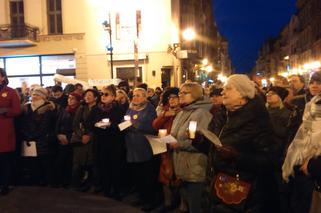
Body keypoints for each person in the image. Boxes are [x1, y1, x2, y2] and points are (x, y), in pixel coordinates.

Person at [196, 74, 278, 212]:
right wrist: (199, 142)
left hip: (245, 193)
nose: (222, 92)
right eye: (223, 88)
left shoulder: (257, 120)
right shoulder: (221, 115)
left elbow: (269, 160)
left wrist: (237, 156)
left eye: (228, 89)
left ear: (242, 95)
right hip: (215, 186)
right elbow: (212, 149)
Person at [170, 82, 213, 213]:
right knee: (186, 202)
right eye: (180, 93)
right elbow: (176, 134)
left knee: (196, 205)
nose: (180, 95)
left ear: (195, 95)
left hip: (194, 166)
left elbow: (201, 142)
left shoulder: (202, 113)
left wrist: (179, 144)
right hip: (181, 165)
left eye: (185, 92)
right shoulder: (181, 112)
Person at [283, 94, 321, 213]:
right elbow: (297, 141)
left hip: (313, 178)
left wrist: (311, 165)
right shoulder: (310, 107)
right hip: (299, 171)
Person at [124, 88, 159, 211]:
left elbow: (152, 127)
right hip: (132, 147)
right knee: (137, 174)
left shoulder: (150, 109)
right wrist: (123, 125)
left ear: (145, 97)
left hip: (144, 147)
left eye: (138, 95)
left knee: (146, 175)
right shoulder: (131, 108)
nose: (135, 98)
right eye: (134, 95)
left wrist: (136, 124)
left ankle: (149, 200)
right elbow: (125, 120)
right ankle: (141, 196)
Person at [91, 85, 125, 199]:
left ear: (113, 96)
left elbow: (122, 125)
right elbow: (89, 123)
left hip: (115, 143)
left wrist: (111, 125)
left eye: (106, 94)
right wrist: (97, 125)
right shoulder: (96, 109)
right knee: (103, 167)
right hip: (100, 142)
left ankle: (117, 190)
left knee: (115, 167)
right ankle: (106, 190)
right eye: (102, 94)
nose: (103, 96)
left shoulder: (119, 109)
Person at [20, 86, 57, 186]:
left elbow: (45, 126)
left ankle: (47, 183)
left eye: (37, 95)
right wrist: (27, 135)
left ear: (43, 97)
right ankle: (35, 181)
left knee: (45, 163)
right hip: (30, 141)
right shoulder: (26, 108)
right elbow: (22, 123)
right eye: (34, 94)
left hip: (43, 141)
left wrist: (33, 136)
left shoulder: (47, 108)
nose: (34, 96)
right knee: (32, 163)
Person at [152, 87, 181, 211]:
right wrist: (165, 115)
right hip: (164, 146)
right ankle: (167, 203)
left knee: (177, 176)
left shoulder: (184, 111)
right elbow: (155, 125)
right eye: (170, 98)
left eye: (175, 97)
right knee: (164, 175)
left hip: (177, 147)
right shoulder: (165, 110)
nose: (172, 100)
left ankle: (178, 202)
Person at [266, 86, 291, 212]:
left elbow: (284, 133)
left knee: (279, 190)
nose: (269, 95)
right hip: (265, 155)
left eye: (273, 94)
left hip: (278, 157)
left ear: (280, 97)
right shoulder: (263, 112)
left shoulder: (286, 114)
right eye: (268, 93)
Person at [71, 89, 99, 191]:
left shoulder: (98, 108)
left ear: (95, 97)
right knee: (78, 163)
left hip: (93, 140)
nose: (87, 97)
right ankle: (77, 184)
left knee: (91, 163)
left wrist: (89, 136)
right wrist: (82, 135)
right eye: (86, 95)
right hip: (81, 139)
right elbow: (75, 124)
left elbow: (98, 125)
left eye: (90, 95)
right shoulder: (82, 108)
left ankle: (92, 184)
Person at [54, 92, 82, 188]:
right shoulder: (64, 110)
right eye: (69, 98)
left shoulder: (79, 111)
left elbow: (77, 127)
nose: (69, 100)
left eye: (72, 98)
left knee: (70, 162)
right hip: (61, 138)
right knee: (61, 161)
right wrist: (58, 134)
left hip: (72, 140)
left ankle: (69, 182)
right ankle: (61, 181)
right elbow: (58, 123)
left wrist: (68, 137)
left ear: (78, 101)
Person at [0, 68, 21, 195]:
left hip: (4, 130)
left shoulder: (10, 92)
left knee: (4, 160)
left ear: (3, 77)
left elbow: (17, 110)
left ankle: (5, 185)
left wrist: (5, 111)